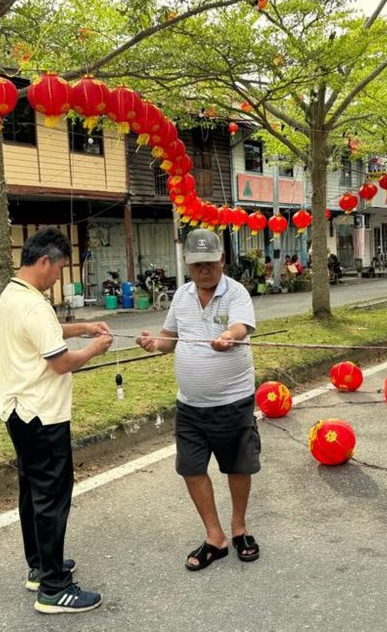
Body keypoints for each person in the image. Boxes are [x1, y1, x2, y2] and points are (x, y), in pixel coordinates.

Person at [0, 227, 113, 615]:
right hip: (42, 414)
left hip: (19, 411)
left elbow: (44, 334)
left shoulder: (14, 294)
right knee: (51, 498)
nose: (59, 277)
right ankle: (54, 588)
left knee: (33, 492)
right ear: (44, 261)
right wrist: (94, 348)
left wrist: (82, 327)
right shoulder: (33, 304)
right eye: (60, 268)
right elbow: (61, 361)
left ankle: (40, 566)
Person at [136, 228, 261, 571]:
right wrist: (153, 344)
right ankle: (215, 537)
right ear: (187, 265)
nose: (203, 270)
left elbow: (241, 327)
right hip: (190, 405)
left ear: (222, 259)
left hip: (233, 402)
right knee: (191, 469)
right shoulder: (182, 296)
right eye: (196, 265)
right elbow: (168, 340)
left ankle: (239, 528)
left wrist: (228, 336)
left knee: (238, 466)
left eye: (209, 263)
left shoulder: (236, 293)